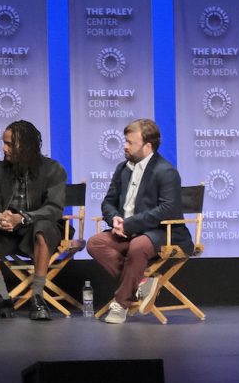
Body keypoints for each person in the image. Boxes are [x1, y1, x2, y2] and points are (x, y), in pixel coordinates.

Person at [85, 118, 182, 323]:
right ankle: (143, 284)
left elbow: (167, 209)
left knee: (138, 246)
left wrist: (129, 224)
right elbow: (108, 202)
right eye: (125, 141)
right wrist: (116, 220)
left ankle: (121, 304)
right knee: (95, 243)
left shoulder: (166, 171)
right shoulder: (122, 169)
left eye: (130, 142)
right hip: (126, 230)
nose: (125, 146)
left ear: (147, 146)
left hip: (160, 232)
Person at [0, 120, 68, 321]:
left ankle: (38, 297)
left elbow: (54, 209)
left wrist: (22, 218)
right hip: (7, 232)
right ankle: (2, 297)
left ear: (27, 146)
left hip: (38, 231)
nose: (4, 148)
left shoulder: (53, 169)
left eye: (9, 144)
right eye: (4, 143)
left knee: (43, 227)